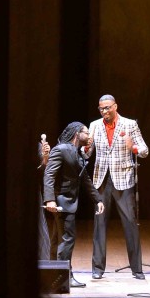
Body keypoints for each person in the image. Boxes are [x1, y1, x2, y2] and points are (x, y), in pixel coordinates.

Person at [85, 94, 148, 280]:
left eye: (107, 108)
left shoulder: (129, 124)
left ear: (115, 107)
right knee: (99, 224)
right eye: (101, 108)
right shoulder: (95, 125)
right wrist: (85, 148)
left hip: (123, 180)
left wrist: (133, 147)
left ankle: (137, 269)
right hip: (101, 180)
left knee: (130, 223)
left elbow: (144, 150)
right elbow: (87, 154)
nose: (104, 111)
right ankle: (97, 268)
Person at [43, 122, 104, 287]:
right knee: (67, 239)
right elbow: (49, 175)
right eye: (86, 133)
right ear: (77, 133)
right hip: (61, 202)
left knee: (58, 239)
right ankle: (65, 277)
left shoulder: (76, 152)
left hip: (68, 202)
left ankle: (54, 275)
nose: (89, 136)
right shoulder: (60, 149)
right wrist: (50, 199)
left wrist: (98, 199)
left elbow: (85, 179)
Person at [37, 133, 57, 261]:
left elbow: (44, 168)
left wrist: (45, 156)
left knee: (39, 226)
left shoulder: (36, 146)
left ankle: (43, 261)